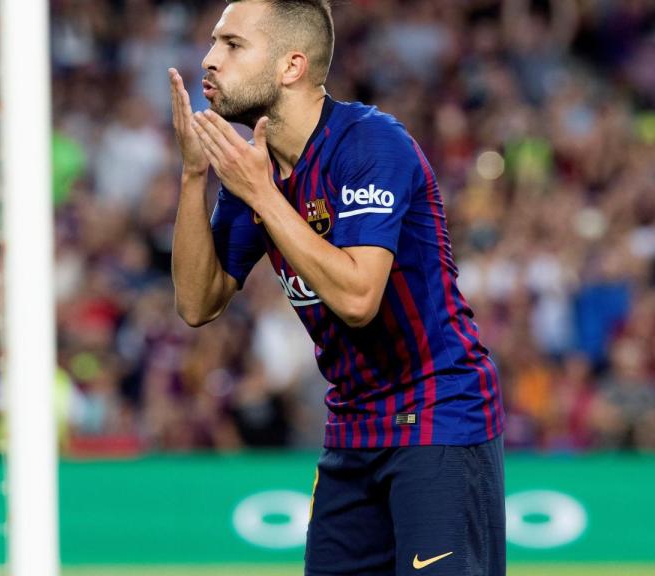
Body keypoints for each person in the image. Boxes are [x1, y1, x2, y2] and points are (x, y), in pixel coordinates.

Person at [168, 1, 506, 574]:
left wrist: (264, 197)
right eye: (213, 42)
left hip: (438, 415)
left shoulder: (370, 146)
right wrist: (194, 173)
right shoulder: (259, 171)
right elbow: (197, 302)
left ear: (291, 66)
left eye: (231, 44)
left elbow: (356, 298)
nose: (208, 59)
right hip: (352, 426)